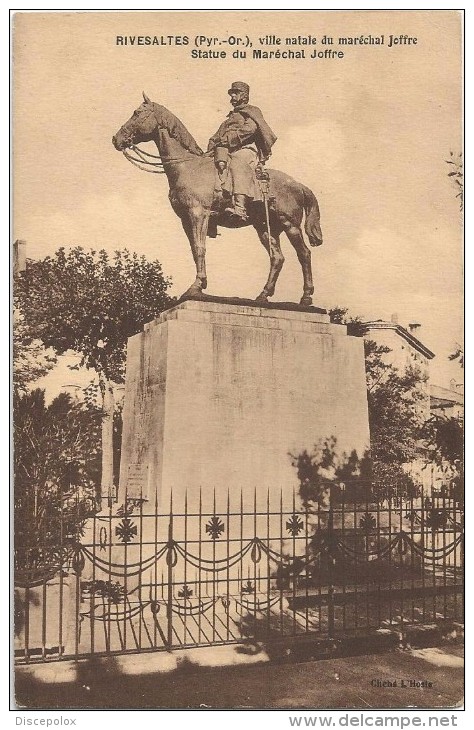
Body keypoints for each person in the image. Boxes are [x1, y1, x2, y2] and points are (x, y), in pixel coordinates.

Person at [207, 82, 277, 220]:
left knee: (237, 162)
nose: (232, 96)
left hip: (246, 150)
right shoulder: (229, 118)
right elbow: (216, 136)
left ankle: (240, 208)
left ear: (244, 95)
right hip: (227, 150)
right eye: (231, 93)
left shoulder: (251, 112)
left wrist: (227, 139)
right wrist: (212, 145)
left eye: (235, 93)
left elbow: (250, 130)